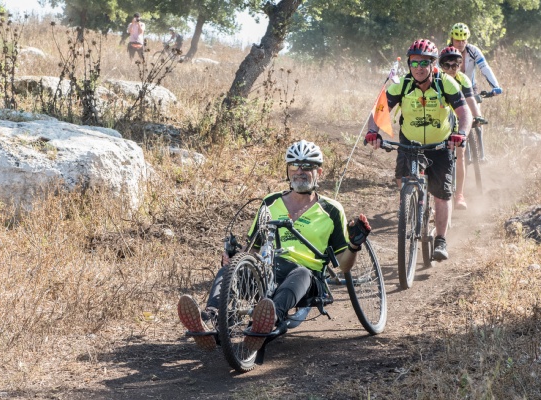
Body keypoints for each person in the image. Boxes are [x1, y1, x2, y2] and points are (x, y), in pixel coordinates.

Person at [177, 140, 372, 353]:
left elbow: (343, 266)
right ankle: (210, 319)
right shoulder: (270, 202)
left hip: (306, 275)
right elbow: (252, 248)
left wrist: (354, 244)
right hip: (267, 268)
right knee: (227, 271)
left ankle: (267, 322)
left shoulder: (332, 210)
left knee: (302, 273)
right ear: (288, 171)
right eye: (294, 166)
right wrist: (235, 260)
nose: (300, 171)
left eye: (307, 166)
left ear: (319, 172)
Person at [365, 39, 472, 261]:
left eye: (425, 63)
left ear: (433, 65)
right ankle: (410, 204)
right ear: (409, 65)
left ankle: (441, 239)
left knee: (442, 195)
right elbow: (379, 111)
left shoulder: (446, 84)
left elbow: (464, 113)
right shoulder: (401, 85)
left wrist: (461, 133)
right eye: (414, 63)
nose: (419, 68)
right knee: (402, 180)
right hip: (409, 143)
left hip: (440, 144)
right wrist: (373, 133)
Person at [449, 22, 502, 163]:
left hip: (470, 88)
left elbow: (484, 67)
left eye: (463, 39)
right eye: (457, 39)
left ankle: (481, 154)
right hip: (450, 89)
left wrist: (495, 86)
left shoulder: (473, 51)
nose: (461, 43)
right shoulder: (447, 52)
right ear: (452, 38)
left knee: (477, 117)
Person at [438, 46, 482, 210]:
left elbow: (470, 100)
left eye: (455, 66)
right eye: (447, 66)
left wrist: (476, 116)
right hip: (440, 120)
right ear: (441, 66)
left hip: (459, 120)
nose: (451, 69)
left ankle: (459, 195)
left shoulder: (463, 79)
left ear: (459, 66)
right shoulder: (436, 78)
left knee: (460, 154)